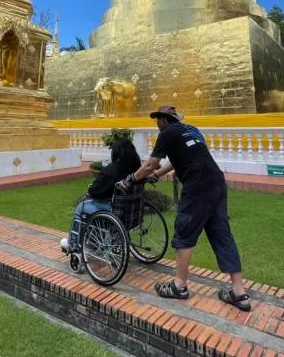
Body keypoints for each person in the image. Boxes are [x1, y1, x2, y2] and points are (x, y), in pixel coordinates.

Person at [117, 105, 250, 311]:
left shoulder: (167, 133)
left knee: (185, 230)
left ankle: (179, 286)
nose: (156, 124)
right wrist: (159, 175)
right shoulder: (192, 130)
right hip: (216, 180)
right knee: (221, 233)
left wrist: (130, 179)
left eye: (157, 120)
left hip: (197, 183)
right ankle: (239, 293)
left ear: (163, 120)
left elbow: (151, 164)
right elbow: (176, 160)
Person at [60, 137, 142, 254]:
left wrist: (91, 188)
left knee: (81, 208)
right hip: (132, 213)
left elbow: (95, 191)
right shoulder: (137, 170)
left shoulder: (111, 170)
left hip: (114, 211)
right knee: (96, 208)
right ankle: (93, 241)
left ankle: (73, 244)